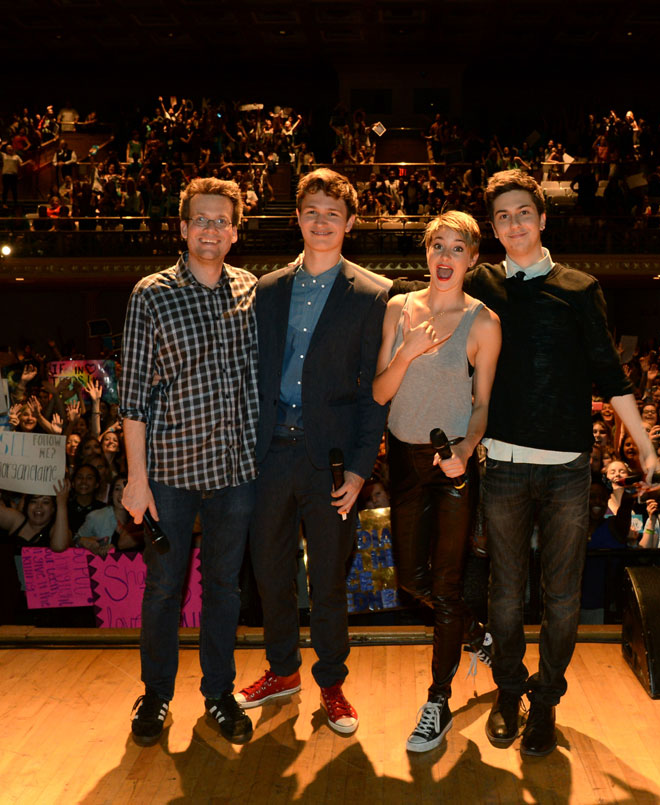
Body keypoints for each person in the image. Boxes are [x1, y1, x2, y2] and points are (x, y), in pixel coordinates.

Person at [464, 170, 658, 757]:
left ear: (543, 219)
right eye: (502, 216)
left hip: (568, 467)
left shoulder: (579, 287)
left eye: (524, 212)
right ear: (493, 227)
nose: (514, 223)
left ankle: (545, 702)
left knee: (562, 597)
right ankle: (507, 692)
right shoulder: (482, 284)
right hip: (501, 462)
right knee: (504, 593)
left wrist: (644, 443)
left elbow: (609, 369)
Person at [238, 168, 389, 736]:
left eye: (333, 213)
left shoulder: (374, 294)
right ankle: (282, 671)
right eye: (311, 211)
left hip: (330, 462)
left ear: (350, 222)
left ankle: (331, 682)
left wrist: (358, 467)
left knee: (327, 579)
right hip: (268, 454)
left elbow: (375, 392)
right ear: (297, 219)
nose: (321, 222)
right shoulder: (267, 288)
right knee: (271, 574)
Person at [119, 177, 259, 746]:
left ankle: (219, 694)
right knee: (164, 589)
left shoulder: (251, 289)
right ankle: (155, 695)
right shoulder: (150, 294)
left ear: (235, 230)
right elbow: (132, 397)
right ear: (182, 228)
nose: (210, 229)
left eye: (221, 220)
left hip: (236, 472)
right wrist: (136, 480)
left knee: (225, 588)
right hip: (171, 473)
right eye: (200, 219)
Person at [371, 210, 501, 752]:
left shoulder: (485, 323)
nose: (444, 258)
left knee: (445, 587)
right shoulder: (400, 309)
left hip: (451, 464)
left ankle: (437, 701)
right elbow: (380, 394)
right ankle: (476, 634)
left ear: (473, 259)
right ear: (426, 254)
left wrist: (467, 451)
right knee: (410, 580)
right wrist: (407, 353)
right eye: (437, 247)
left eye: (457, 249)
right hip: (402, 461)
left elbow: (482, 406)